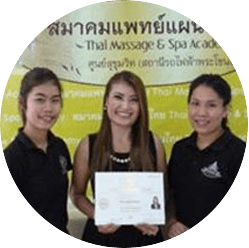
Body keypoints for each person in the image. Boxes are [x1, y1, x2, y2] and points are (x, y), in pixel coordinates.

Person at [70, 71, 166, 247]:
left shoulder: (154, 143)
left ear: (141, 106)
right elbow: (76, 194)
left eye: (134, 100)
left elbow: (163, 193)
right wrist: (97, 216)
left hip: (145, 236)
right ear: (106, 102)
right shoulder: (88, 145)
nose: (125, 106)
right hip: (101, 236)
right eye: (118, 97)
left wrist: (154, 218)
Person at [167, 74, 246, 238]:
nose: (201, 113)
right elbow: (169, 196)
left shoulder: (238, 152)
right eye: (195, 104)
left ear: (225, 110)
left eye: (211, 105)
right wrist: (172, 223)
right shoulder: (180, 149)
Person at [4, 67, 72, 234]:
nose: (48, 108)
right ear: (22, 103)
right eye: (40, 100)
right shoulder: (12, 158)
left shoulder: (59, 147)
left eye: (55, 100)